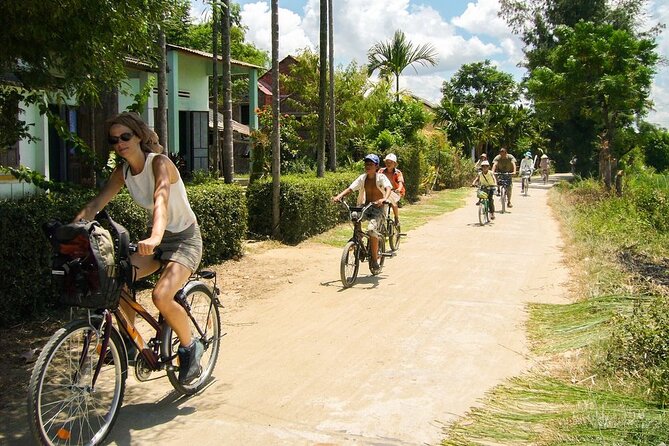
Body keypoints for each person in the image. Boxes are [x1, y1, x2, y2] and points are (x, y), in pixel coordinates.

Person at [74, 112, 204, 384]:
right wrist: (72, 229)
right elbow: (96, 204)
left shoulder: (160, 164)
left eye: (125, 136)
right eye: (114, 140)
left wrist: (156, 236)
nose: (120, 143)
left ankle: (191, 347)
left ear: (139, 136)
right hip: (156, 241)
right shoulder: (122, 172)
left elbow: (161, 201)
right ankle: (128, 342)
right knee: (115, 282)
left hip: (184, 239)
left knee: (161, 296)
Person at [332, 154, 392, 272]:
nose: (368, 166)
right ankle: (358, 239)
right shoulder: (363, 178)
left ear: (376, 166)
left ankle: (374, 260)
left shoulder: (381, 178)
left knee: (371, 230)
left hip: (378, 208)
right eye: (366, 164)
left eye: (370, 164)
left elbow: (388, 188)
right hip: (366, 206)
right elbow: (350, 188)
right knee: (354, 216)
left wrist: (384, 199)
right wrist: (338, 197)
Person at [378, 153, 405, 225]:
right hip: (384, 192)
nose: (388, 164)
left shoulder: (397, 172)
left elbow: (400, 183)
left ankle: (396, 218)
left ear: (394, 164)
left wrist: (399, 189)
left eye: (390, 162)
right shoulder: (381, 171)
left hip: (395, 192)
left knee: (393, 203)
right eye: (387, 162)